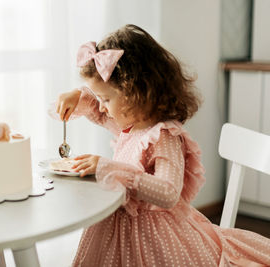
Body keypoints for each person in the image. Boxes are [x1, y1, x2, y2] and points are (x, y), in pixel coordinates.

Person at [54, 24, 270, 266]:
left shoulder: (164, 135)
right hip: (117, 231)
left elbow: (168, 192)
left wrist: (109, 169)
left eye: (105, 99)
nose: (101, 106)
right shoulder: (131, 125)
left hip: (153, 238)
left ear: (135, 92)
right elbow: (100, 113)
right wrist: (78, 95)